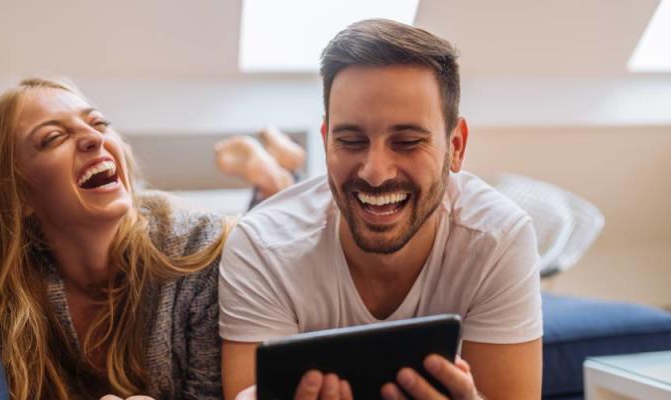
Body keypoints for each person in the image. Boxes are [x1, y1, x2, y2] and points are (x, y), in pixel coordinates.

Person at [219, 19, 544, 399]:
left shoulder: (499, 239)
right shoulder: (261, 247)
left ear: (455, 146)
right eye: (351, 140)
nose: (375, 172)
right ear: (326, 143)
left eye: (406, 141)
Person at [0, 78, 235, 400]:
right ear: (18, 195)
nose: (93, 138)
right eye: (53, 137)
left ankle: (273, 177)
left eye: (99, 122)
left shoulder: (200, 252)